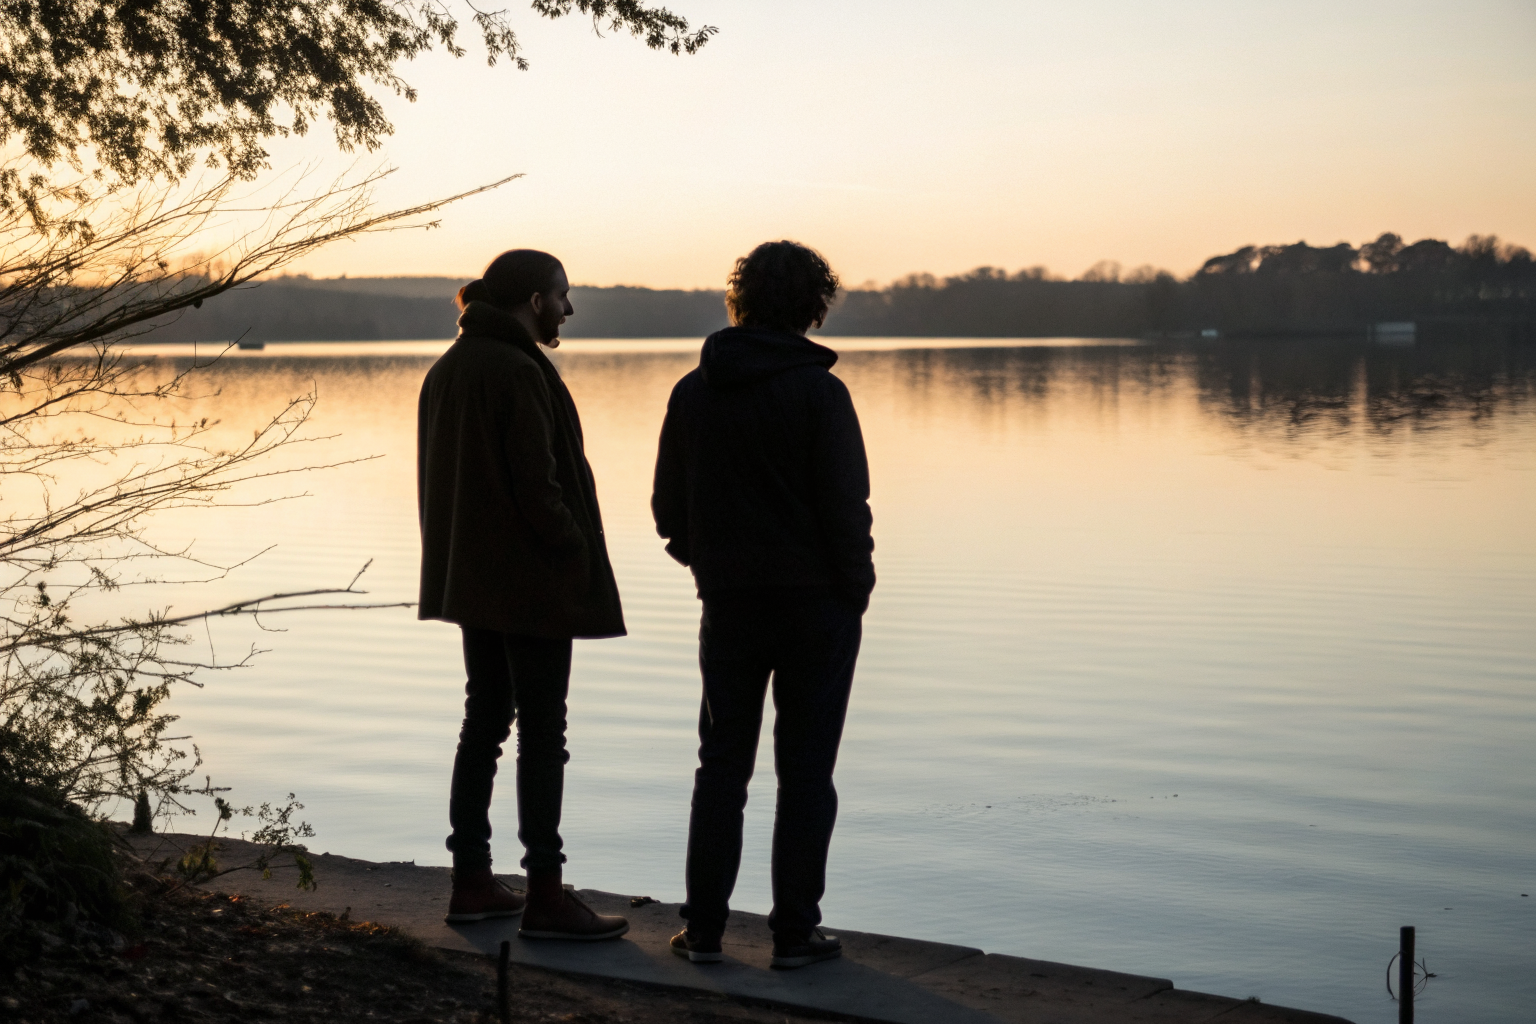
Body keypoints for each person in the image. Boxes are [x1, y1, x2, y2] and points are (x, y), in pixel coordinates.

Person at [652, 240, 876, 968]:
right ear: (814, 306)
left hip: (731, 606)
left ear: (740, 299)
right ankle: (793, 934)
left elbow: (668, 510)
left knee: (721, 768)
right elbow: (848, 508)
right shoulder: (821, 394)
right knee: (807, 773)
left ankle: (705, 933)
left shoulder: (694, 390)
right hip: (818, 607)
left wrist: (711, 565)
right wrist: (856, 589)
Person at [418, 248, 629, 941]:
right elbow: (539, 489)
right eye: (563, 296)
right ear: (535, 300)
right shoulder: (516, 370)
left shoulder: (449, 368)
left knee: (484, 722)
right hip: (532, 581)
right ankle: (546, 896)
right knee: (544, 733)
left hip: (473, 579)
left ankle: (471, 881)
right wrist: (574, 547)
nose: (568, 310)